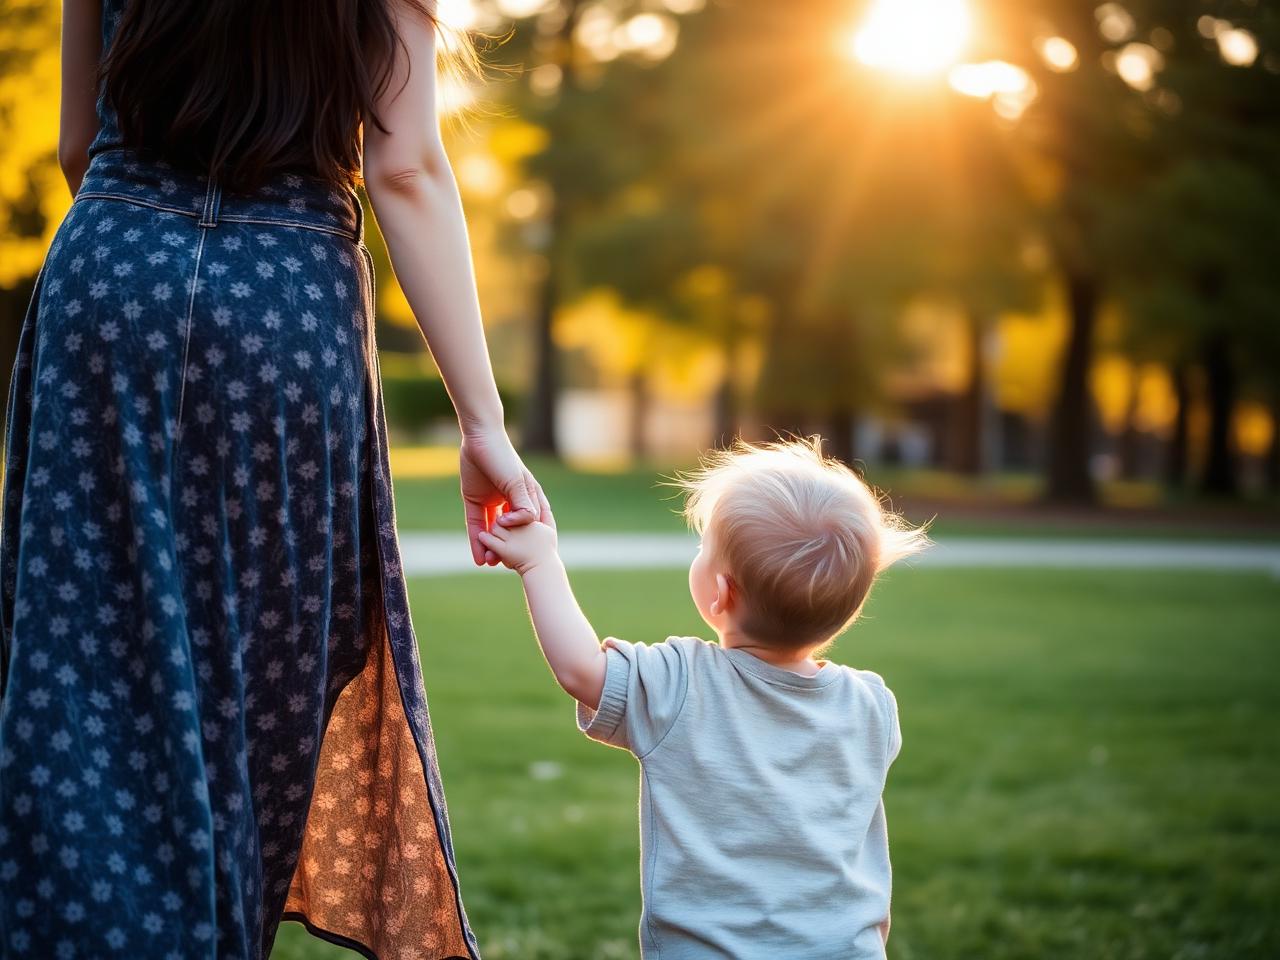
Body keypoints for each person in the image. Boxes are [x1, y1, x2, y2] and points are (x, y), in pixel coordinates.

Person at [0, 1, 547, 957]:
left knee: (78, 660)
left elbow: (79, 144)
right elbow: (405, 167)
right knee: (257, 680)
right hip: (286, 307)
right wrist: (483, 422)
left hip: (112, 279)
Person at [476, 435, 930, 959]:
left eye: (703, 548)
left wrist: (539, 564)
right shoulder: (872, 706)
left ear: (719, 593)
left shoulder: (682, 684)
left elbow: (582, 669)